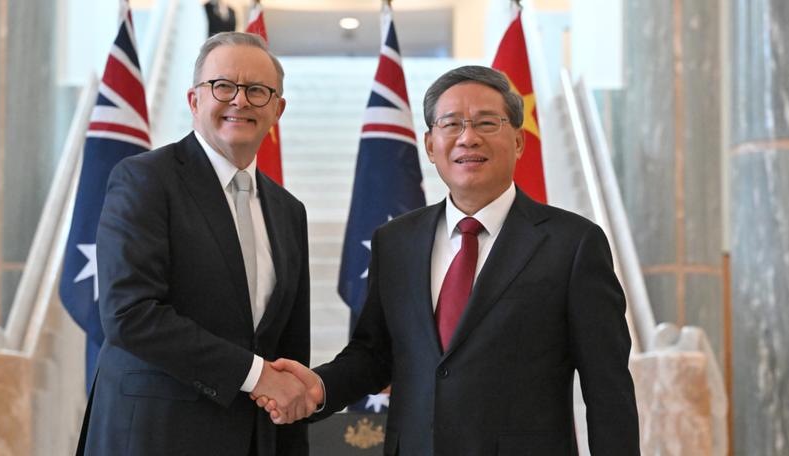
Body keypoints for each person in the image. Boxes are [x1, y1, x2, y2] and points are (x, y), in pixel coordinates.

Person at [261, 65, 640, 455]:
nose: (468, 138)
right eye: (452, 124)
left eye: (486, 123)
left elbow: (607, 388)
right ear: (429, 144)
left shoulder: (573, 244)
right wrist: (319, 387)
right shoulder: (395, 242)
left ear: (519, 140)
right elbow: (375, 355)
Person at [77, 32, 314, 455]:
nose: (240, 100)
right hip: (153, 437)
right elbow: (129, 313)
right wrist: (256, 375)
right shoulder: (146, 179)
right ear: (194, 100)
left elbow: (287, 349)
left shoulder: (288, 211)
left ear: (277, 110)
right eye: (223, 86)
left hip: (254, 439)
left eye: (257, 91)